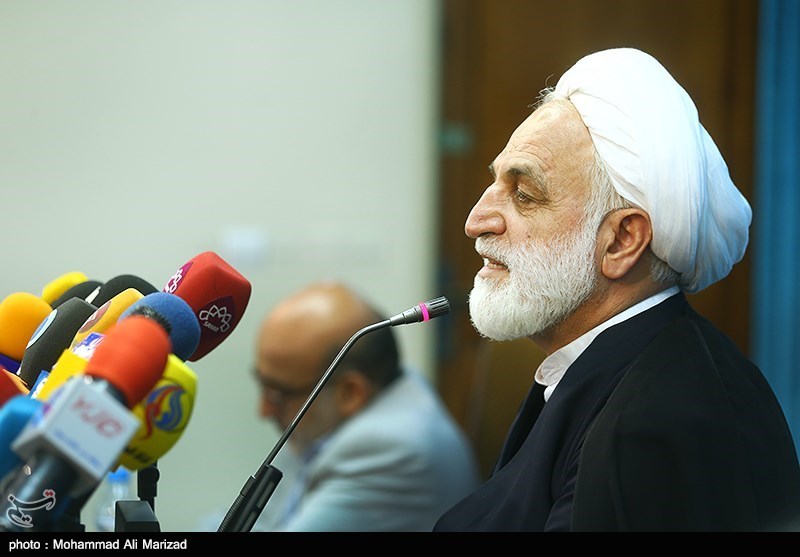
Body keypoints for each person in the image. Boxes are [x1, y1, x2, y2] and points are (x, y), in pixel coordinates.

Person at [433, 47, 800, 532]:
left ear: (622, 241)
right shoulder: (609, 365)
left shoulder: (653, 426)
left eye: (523, 195)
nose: (475, 221)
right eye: (495, 184)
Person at [249, 281, 480, 531]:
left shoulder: (389, 451)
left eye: (277, 395)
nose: (264, 411)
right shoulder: (379, 390)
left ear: (350, 392)